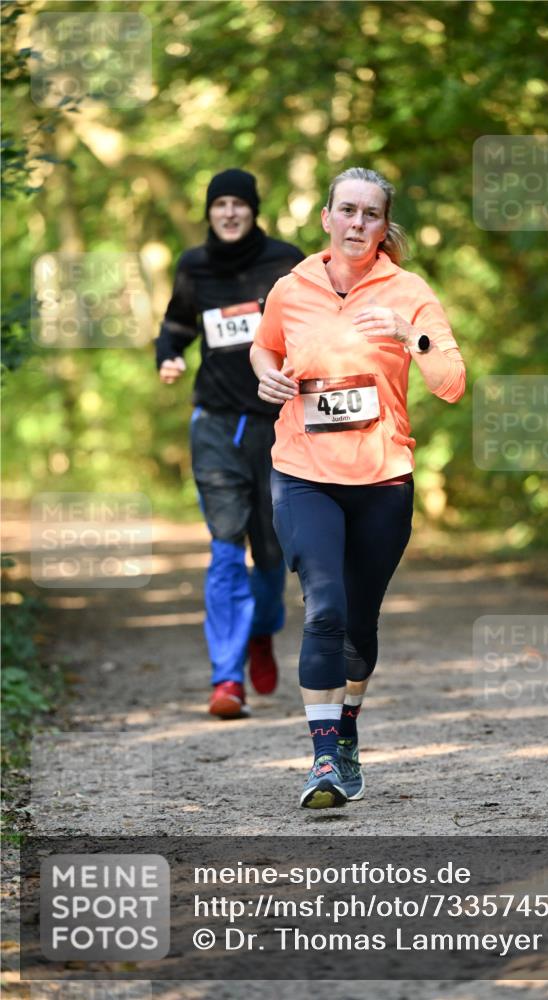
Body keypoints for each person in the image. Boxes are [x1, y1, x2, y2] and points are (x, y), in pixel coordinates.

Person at [250, 166, 466, 807]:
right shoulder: (292, 288)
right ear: (327, 217)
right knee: (325, 608)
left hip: (382, 478)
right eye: (347, 210)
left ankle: (345, 733)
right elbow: (264, 347)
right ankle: (323, 762)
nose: (357, 223)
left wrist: (409, 335)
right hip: (303, 472)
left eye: (371, 214)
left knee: (359, 624)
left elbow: (452, 383)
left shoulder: (409, 291)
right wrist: (267, 375)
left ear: (383, 225)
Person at [156, 168, 304, 718]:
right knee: (224, 546)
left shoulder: (286, 261)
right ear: (209, 212)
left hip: (276, 425)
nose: (229, 212)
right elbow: (177, 324)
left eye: (238, 203)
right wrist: (168, 356)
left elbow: (315, 325)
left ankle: (261, 629)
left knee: (271, 552)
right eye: (219, 204)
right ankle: (226, 678)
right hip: (216, 423)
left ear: (253, 209)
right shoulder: (194, 265)